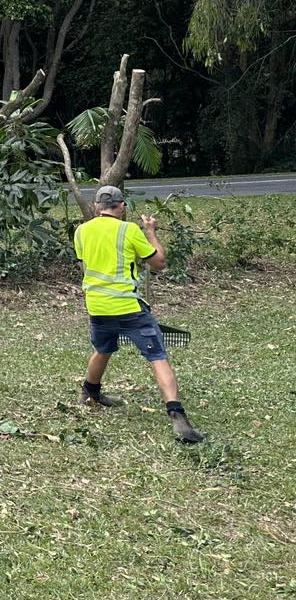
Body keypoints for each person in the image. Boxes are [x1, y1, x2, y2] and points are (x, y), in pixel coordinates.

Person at [75, 185, 204, 444]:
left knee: (103, 348)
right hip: (129, 307)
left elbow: (83, 264)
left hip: (97, 306)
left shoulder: (81, 231)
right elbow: (159, 263)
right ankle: (177, 414)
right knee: (157, 355)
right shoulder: (128, 229)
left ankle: (90, 393)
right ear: (122, 207)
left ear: (96, 207)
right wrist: (151, 232)